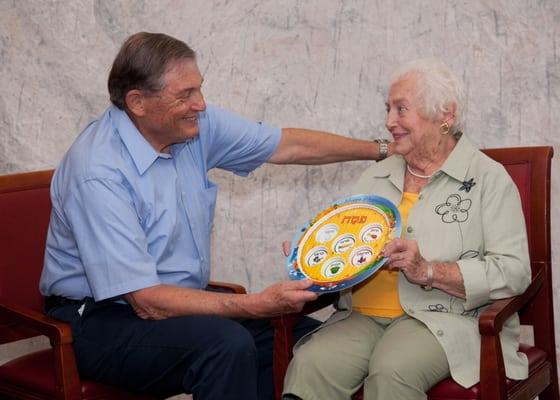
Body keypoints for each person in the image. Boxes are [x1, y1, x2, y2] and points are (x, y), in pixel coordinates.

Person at [39, 32, 392, 400]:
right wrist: (252, 304)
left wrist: (384, 150)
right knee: (227, 346)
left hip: (175, 302)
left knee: (310, 344)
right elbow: (146, 301)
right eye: (185, 95)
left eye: (199, 89)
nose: (201, 104)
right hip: (97, 320)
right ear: (137, 102)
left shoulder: (191, 128)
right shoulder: (98, 171)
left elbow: (288, 145)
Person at [282, 58, 531, 400]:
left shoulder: (488, 179)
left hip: (444, 319)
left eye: (401, 109)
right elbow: (350, 249)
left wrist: (428, 269)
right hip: (360, 318)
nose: (389, 122)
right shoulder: (375, 177)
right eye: (388, 109)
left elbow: (514, 272)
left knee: (392, 370)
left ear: (445, 115)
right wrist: (313, 260)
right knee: (311, 363)